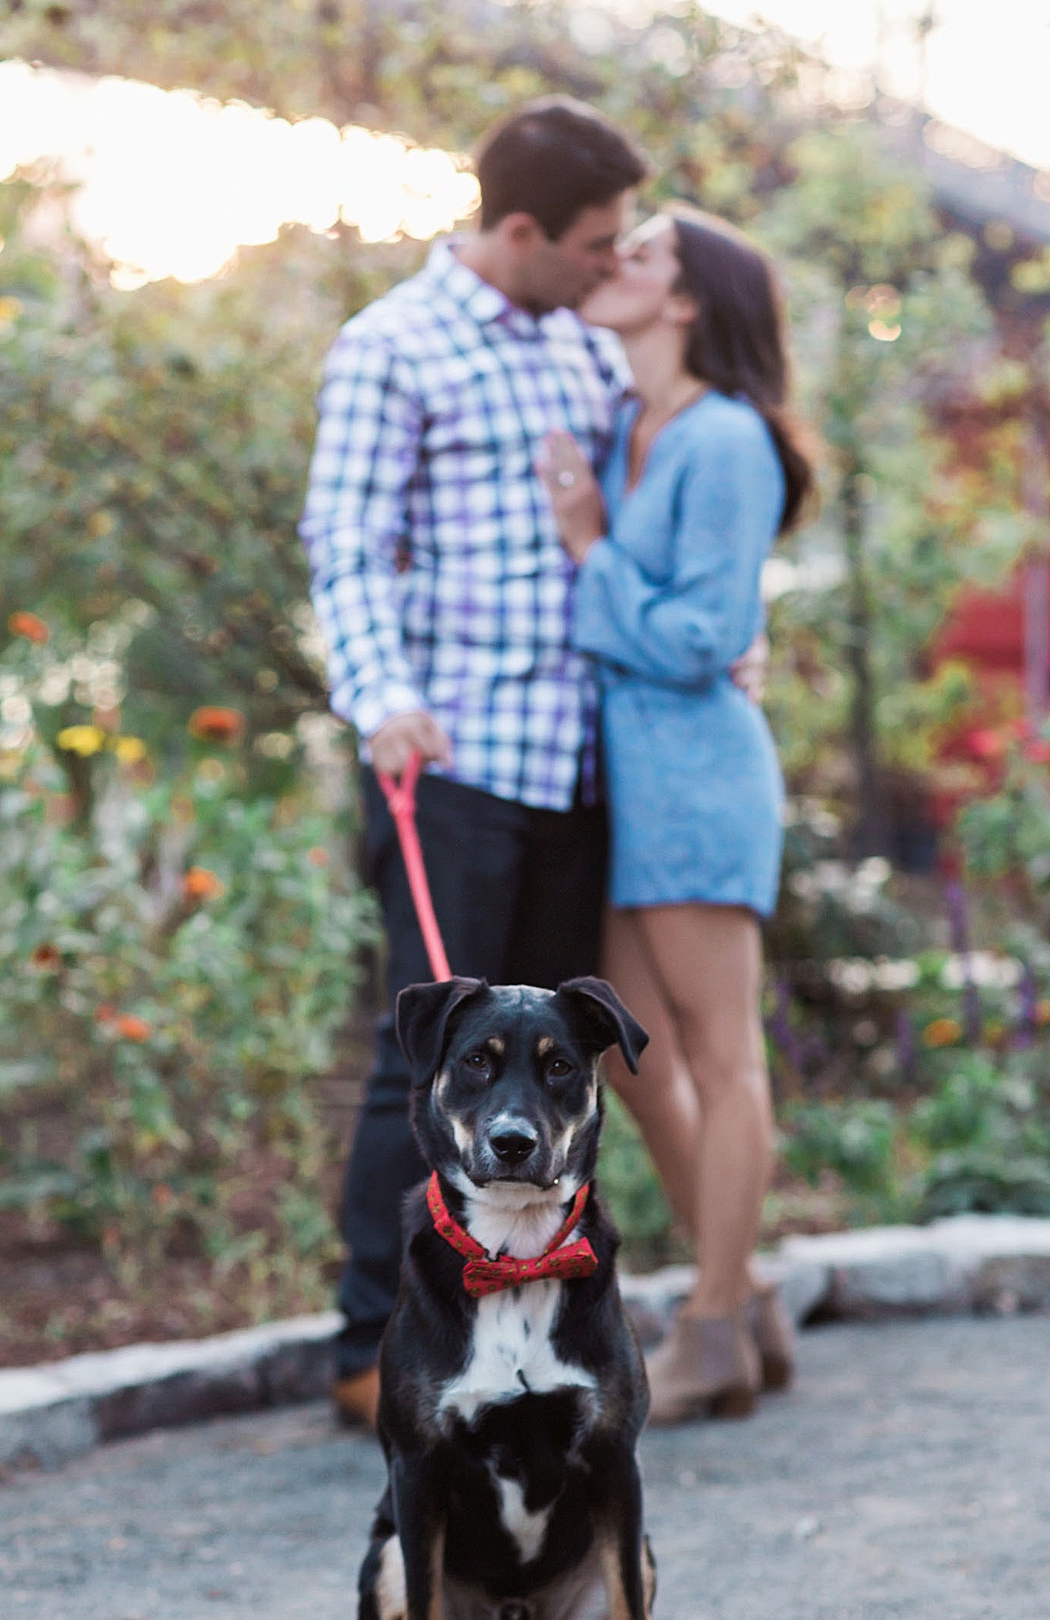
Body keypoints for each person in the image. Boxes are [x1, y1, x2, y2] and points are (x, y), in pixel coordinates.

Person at [300, 97, 647, 1429]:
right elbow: (346, 542)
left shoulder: (584, 344)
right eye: (597, 242)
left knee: (556, 1069)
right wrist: (381, 694)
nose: (612, 263)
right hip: (451, 760)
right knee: (428, 1062)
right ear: (520, 228)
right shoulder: (394, 344)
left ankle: (545, 1329)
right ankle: (367, 1338)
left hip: (580, 764)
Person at [538, 205, 815, 1424]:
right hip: (624, 784)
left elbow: (706, 637)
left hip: (699, 777)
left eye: (640, 255)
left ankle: (711, 1326)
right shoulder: (625, 423)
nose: (614, 264)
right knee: (639, 1056)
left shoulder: (728, 440)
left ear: (690, 299)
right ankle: (744, 1291)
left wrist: (593, 549)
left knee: (719, 1051)